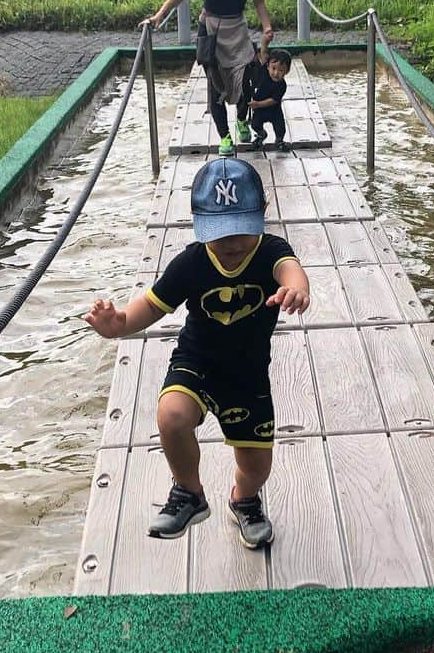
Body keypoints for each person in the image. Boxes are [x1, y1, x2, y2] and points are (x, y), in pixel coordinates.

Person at [83, 157, 310, 548]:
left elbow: (290, 269)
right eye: (220, 234)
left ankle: (245, 499)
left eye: (241, 229)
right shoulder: (191, 263)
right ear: (198, 223)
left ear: (263, 213)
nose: (232, 244)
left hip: (247, 376)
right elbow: (153, 305)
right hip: (196, 363)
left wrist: (297, 288)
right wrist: (119, 323)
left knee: (256, 466)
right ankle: (189, 492)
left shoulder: (271, 251)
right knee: (171, 415)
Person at [143, 0, 274, 157]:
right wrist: (158, 16)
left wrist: (267, 26)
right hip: (211, 32)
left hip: (237, 29)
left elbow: (259, 2)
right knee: (216, 85)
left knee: (245, 79)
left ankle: (242, 120)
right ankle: (224, 136)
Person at [247, 40, 291, 151]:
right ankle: (261, 134)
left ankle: (279, 140)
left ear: (287, 71)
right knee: (255, 124)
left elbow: (273, 100)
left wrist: (258, 104)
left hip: (274, 110)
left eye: (281, 70)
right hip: (260, 110)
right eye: (274, 69)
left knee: (280, 127)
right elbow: (263, 54)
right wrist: (264, 42)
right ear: (268, 66)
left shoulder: (282, 85)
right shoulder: (263, 72)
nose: (276, 73)